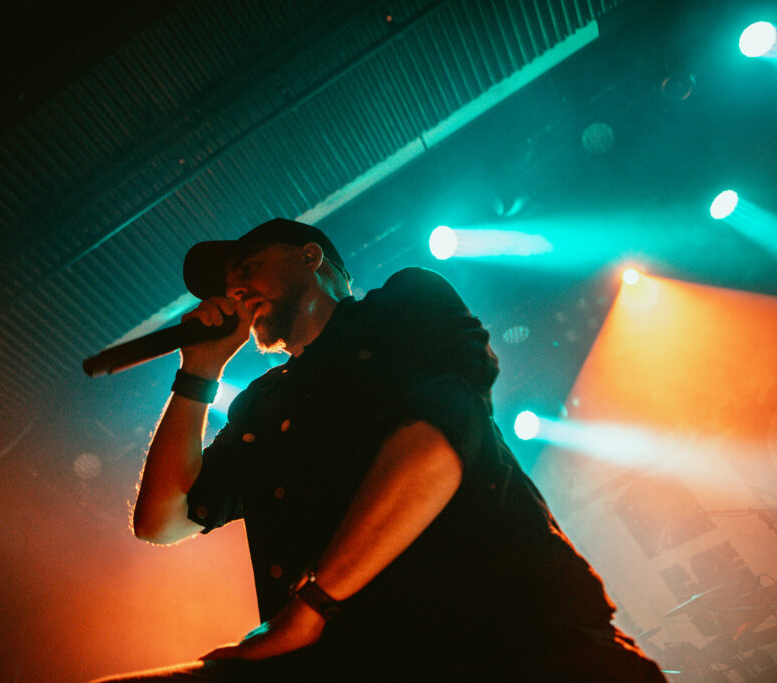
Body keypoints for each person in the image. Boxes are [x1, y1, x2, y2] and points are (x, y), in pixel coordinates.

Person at [95, 218, 665, 681]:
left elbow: (439, 438)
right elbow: (162, 520)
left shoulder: (404, 305)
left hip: (516, 645)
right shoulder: (263, 406)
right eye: (228, 285)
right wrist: (198, 373)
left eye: (248, 268)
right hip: (360, 663)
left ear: (310, 256)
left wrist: (311, 608)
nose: (236, 289)